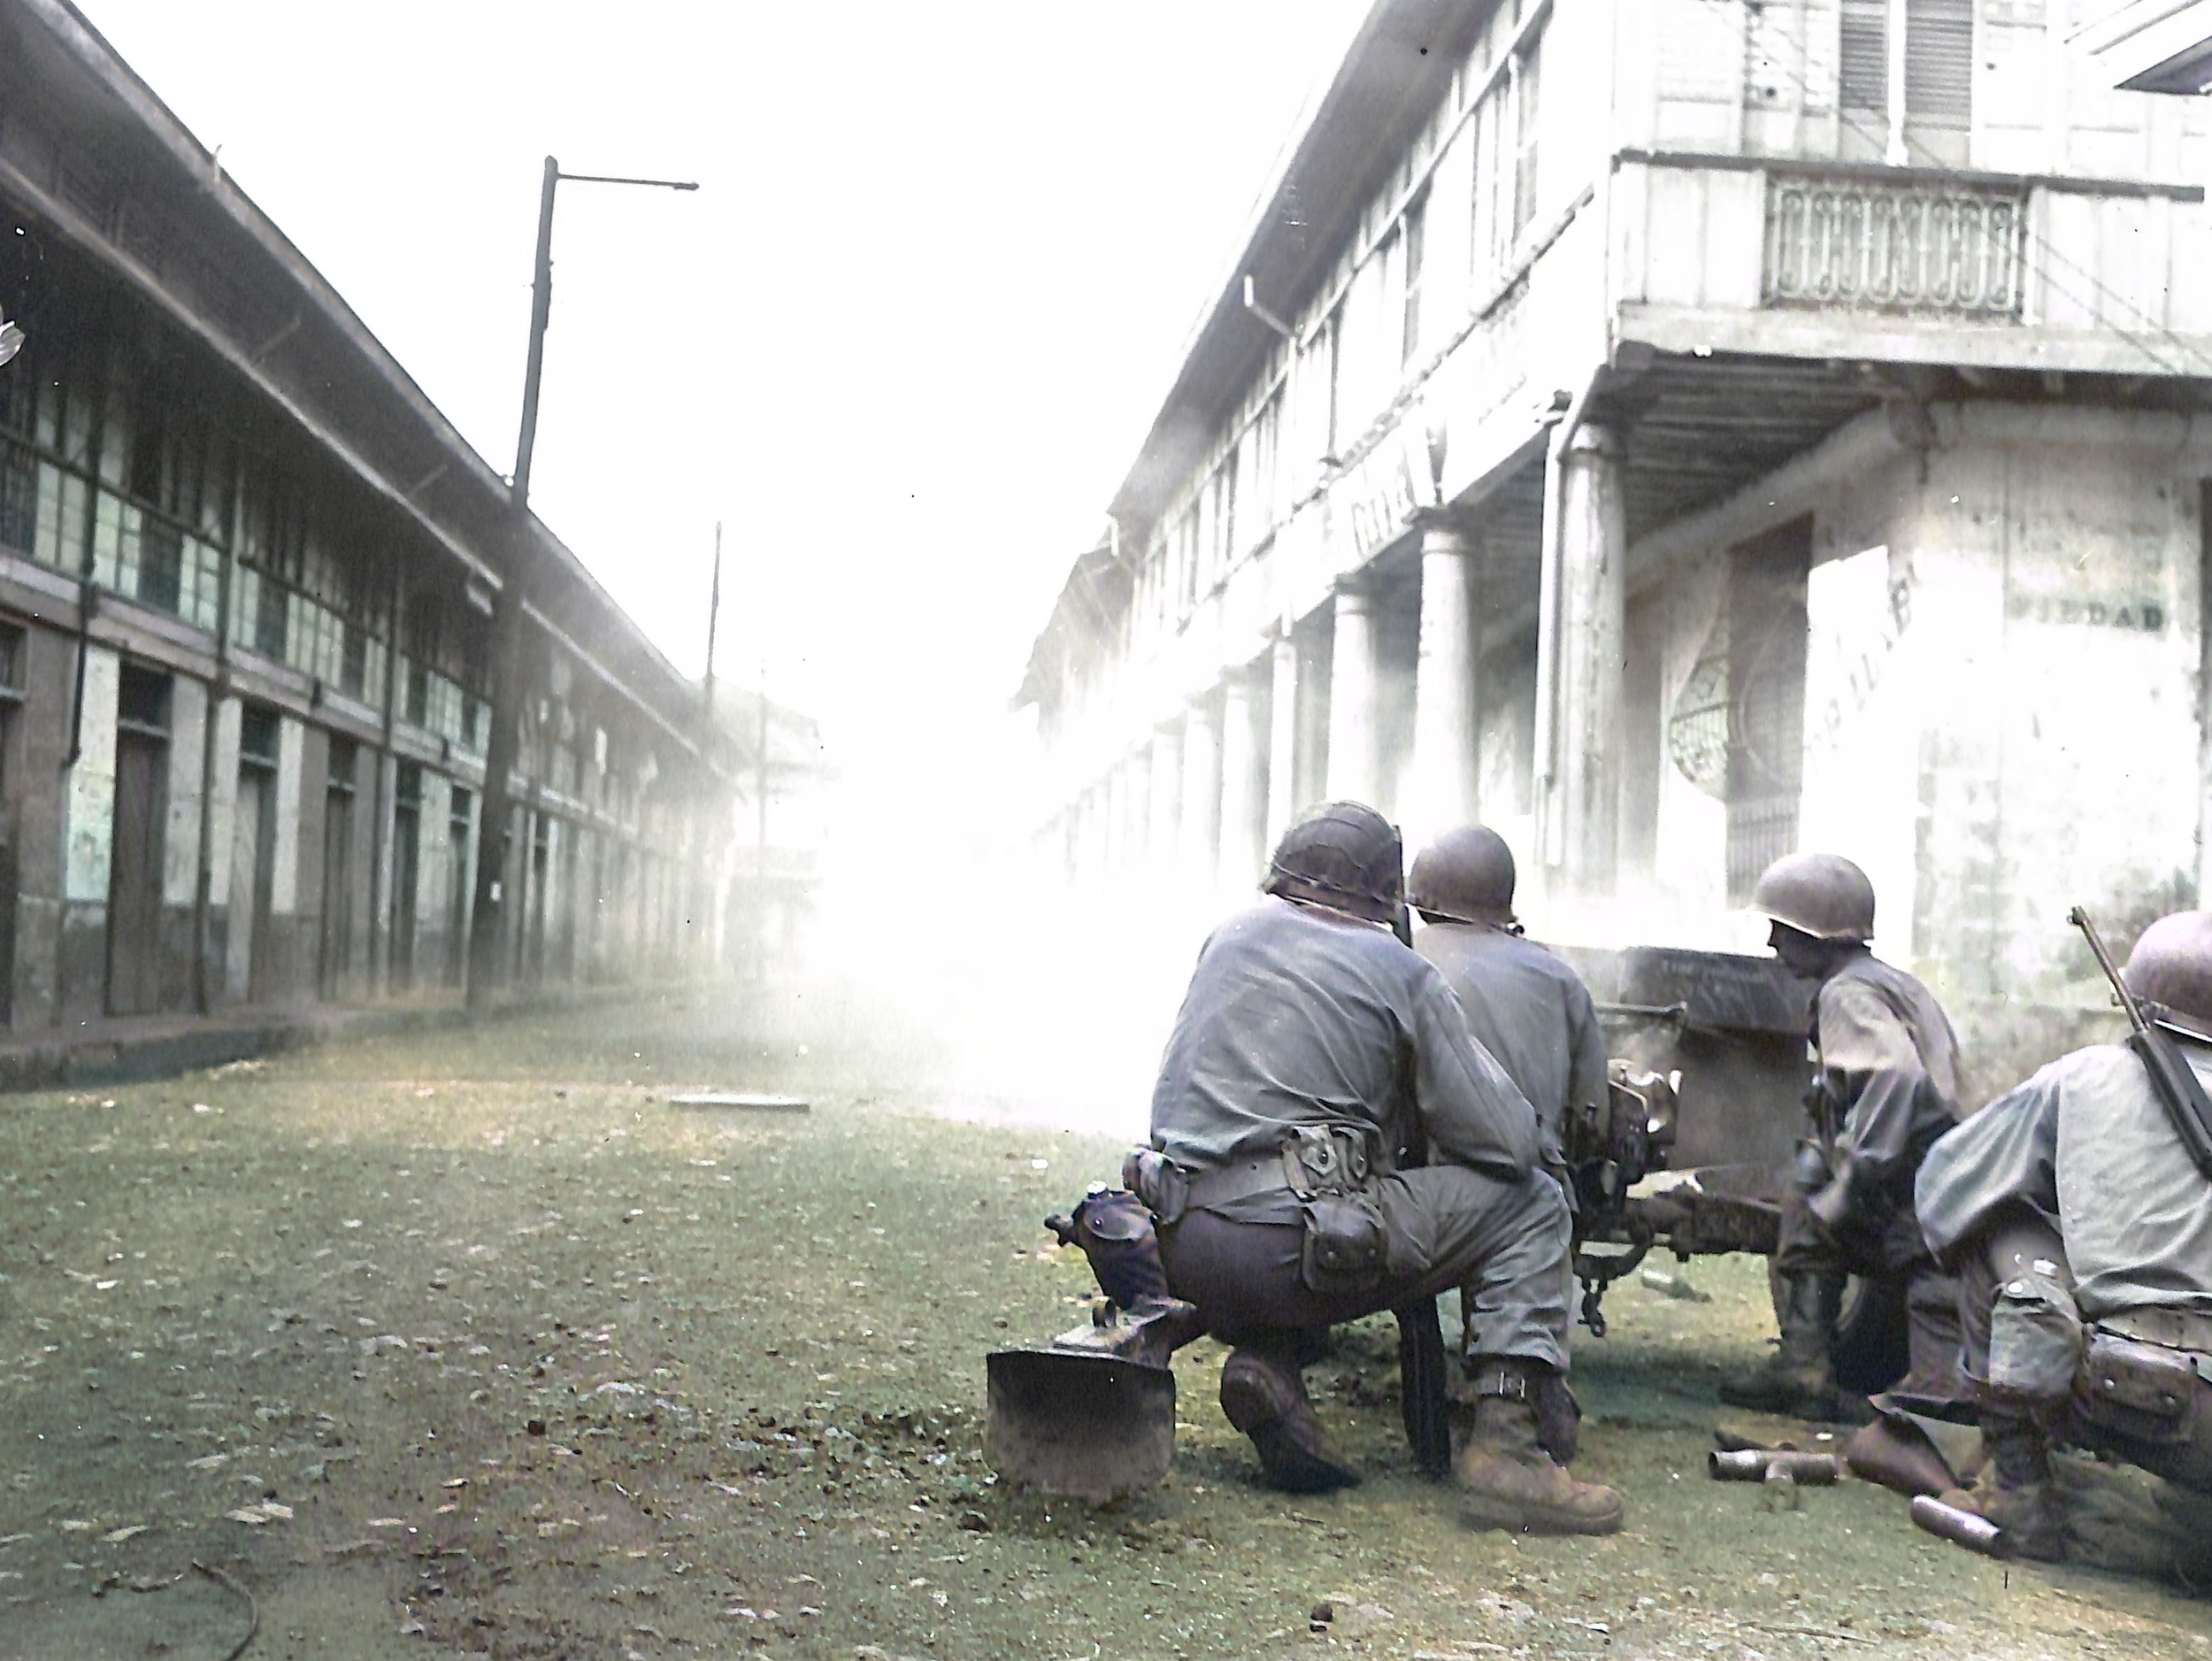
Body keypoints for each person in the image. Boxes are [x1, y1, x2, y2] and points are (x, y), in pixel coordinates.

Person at [1138, 801, 1624, 1535]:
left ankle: (1271, 1364)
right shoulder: (1400, 968)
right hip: (1296, 1248)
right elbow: (1505, 1142)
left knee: (1296, 1216)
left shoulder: (1228, 937)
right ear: (1386, 898)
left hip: (1182, 1241)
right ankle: (1507, 1450)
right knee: (1532, 1203)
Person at [1915, 911, 2212, 1563]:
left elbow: (1946, 1187)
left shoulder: (2086, 1076)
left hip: (2122, 1392)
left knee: (1995, 1221)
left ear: (2139, 1001)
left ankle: (2020, 1494)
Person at [1718, 851, 1968, 1420]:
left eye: (1782, 929)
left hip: (1913, 1185)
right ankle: (1817, 1370)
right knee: (1813, 1184)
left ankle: (1811, 1371)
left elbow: (1897, 1077)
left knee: (1814, 1206)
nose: (1773, 943)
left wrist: (1856, 1171)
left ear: (1819, 934)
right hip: (1940, 1175)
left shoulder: (1845, 994)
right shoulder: (1888, 982)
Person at [1407, 825, 1608, 1182]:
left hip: (1429, 1188)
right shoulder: (1561, 978)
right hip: (1538, 1190)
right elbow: (1592, 1123)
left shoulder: (1403, 956)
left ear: (1426, 900)